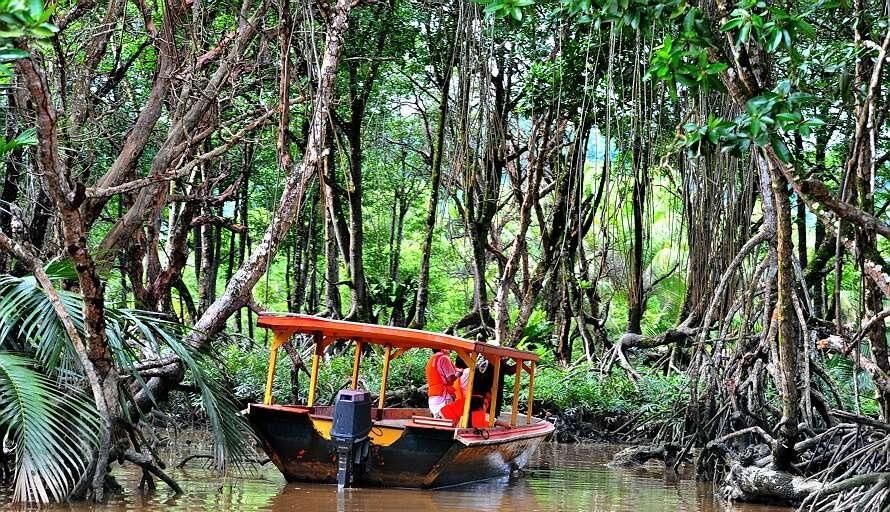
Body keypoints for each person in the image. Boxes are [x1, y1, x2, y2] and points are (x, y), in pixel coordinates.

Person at [425, 348, 459, 418]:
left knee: (438, 421)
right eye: (447, 347)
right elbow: (450, 379)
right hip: (443, 396)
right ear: (442, 348)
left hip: (433, 397)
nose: (450, 349)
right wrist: (459, 374)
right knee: (448, 421)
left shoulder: (431, 360)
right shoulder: (444, 358)